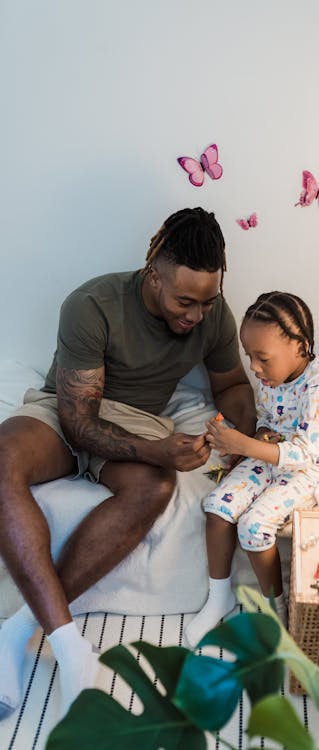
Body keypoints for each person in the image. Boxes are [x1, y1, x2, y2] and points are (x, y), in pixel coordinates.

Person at [0, 207, 256, 718]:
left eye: (207, 302)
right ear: (153, 273)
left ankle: (18, 629)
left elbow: (231, 384)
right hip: (72, 409)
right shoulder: (92, 303)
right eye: (185, 301)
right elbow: (78, 423)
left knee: (156, 488)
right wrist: (161, 450)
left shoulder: (213, 314)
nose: (196, 315)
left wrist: (235, 436)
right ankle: (73, 649)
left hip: (139, 419)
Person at [185, 291, 319, 646]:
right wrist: (247, 439)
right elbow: (268, 420)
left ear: (300, 347)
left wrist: (245, 445)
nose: (255, 369)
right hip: (269, 451)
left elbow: (305, 454)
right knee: (216, 508)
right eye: (249, 357)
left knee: (254, 526)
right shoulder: (269, 379)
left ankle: (277, 612)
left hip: (307, 466)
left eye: (262, 358)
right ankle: (219, 598)